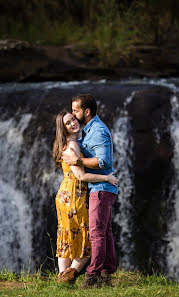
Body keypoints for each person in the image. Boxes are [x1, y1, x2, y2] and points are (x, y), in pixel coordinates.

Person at [52, 111, 118, 284]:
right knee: (87, 237)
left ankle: (62, 278)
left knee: (66, 236)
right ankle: (70, 275)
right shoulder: (73, 146)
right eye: (68, 123)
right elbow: (81, 176)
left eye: (73, 119)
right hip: (75, 195)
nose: (73, 123)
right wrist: (107, 178)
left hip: (65, 195)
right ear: (63, 128)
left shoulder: (69, 144)